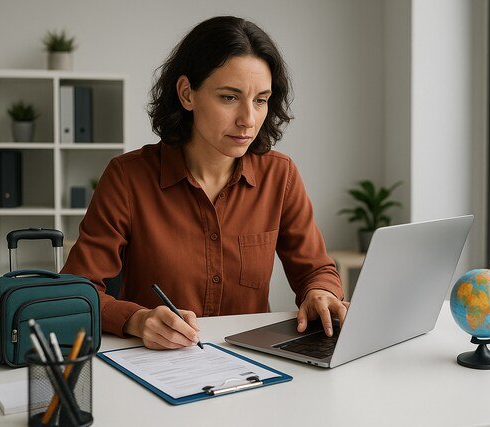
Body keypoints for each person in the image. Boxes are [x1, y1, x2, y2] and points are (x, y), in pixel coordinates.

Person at [62, 16, 347, 350]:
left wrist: (321, 293)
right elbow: (75, 291)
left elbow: (316, 270)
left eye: (260, 100)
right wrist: (136, 320)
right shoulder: (127, 178)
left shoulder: (279, 176)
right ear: (187, 94)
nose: (248, 119)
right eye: (229, 97)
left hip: (252, 368)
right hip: (156, 365)